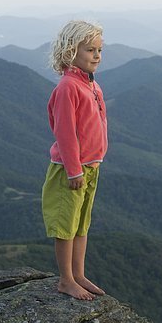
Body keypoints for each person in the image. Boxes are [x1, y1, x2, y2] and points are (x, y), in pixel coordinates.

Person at [42, 20, 108, 300]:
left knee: (81, 224)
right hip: (71, 171)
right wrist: (72, 171)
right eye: (90, 50)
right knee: (66, 226)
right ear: (71, 52)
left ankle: (79, 274)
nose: (96, 56)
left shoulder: (91, 84)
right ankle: (66, 280)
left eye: (99, 50)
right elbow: (65, 133)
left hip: (90, 167)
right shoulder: (69, 87)